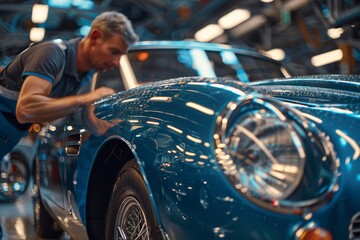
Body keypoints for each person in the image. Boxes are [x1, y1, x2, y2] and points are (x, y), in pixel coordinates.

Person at [0, 11, 138, 161]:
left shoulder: (87, 73)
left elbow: (84, 113)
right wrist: (85, 99)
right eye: (114, 52)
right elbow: (25, 111)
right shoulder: (51, 54)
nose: (116, 62)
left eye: (121, 55)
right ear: (95, 37)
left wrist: (109, 129)